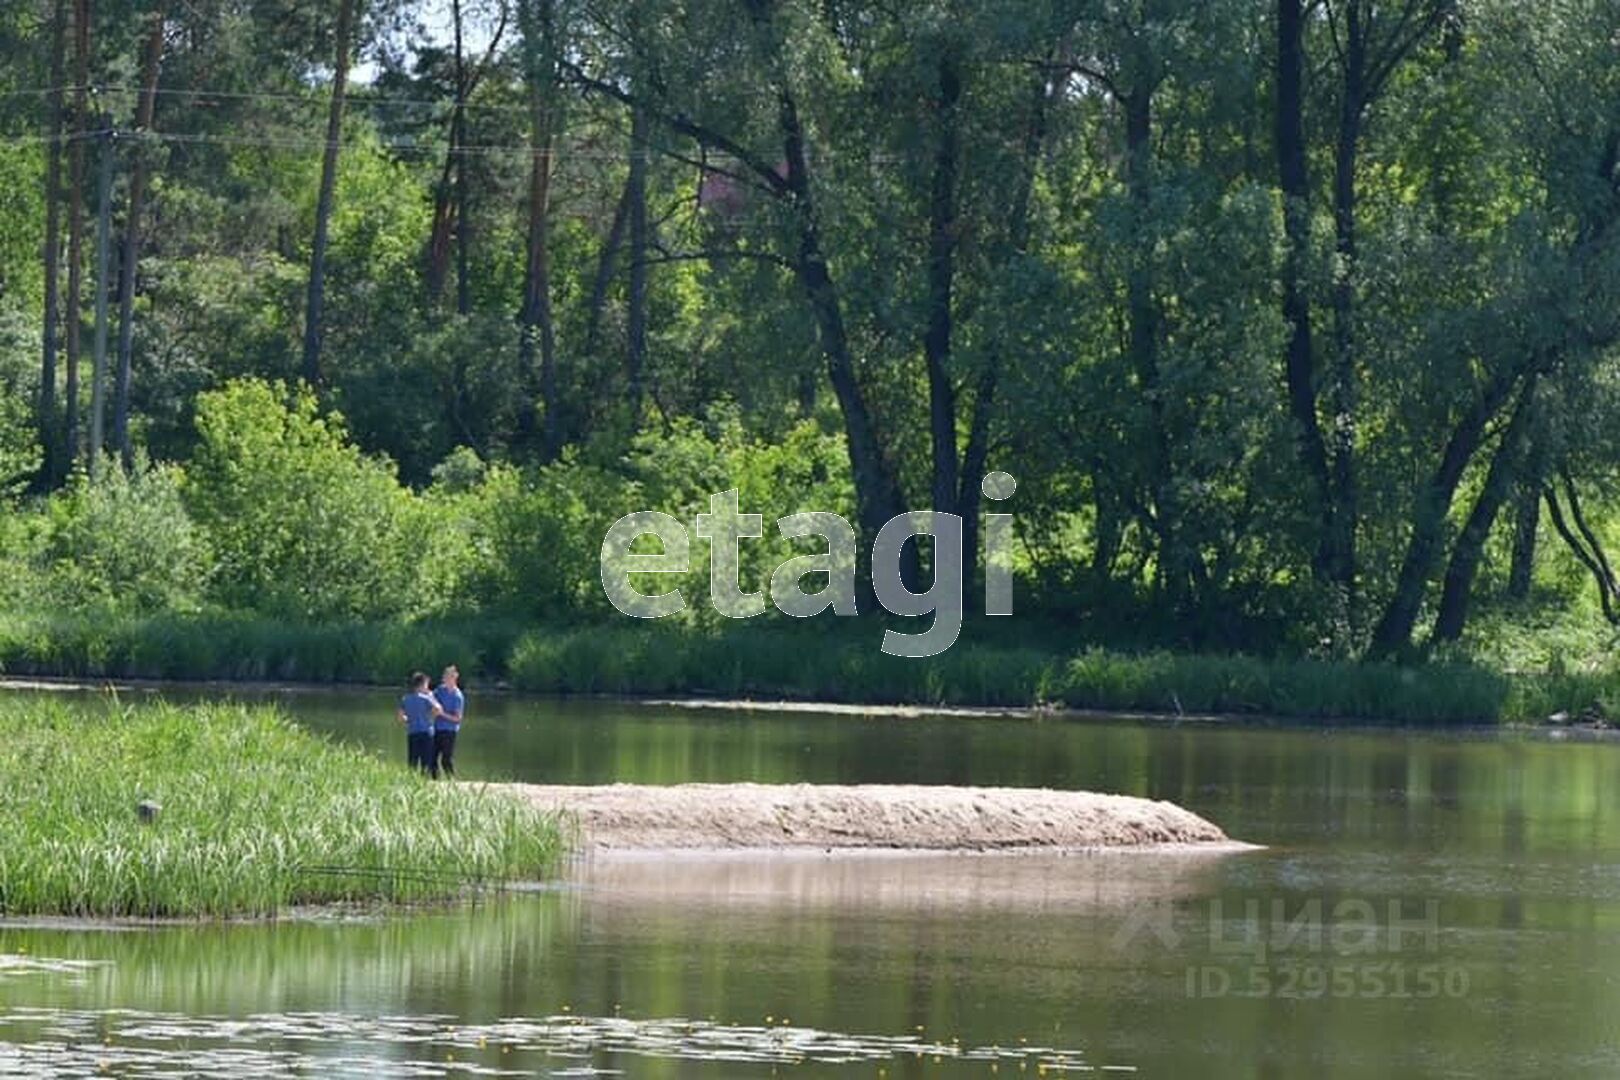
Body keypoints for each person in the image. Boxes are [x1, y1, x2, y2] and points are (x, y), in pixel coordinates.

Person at [398, 671, 443, 775]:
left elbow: (400, 717)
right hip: (426, 733)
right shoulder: (426, 698)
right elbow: (439, 710)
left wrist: (409, 720)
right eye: (426, 685)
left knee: (412, 760)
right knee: (426, 761)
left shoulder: (406, 699)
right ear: (422, 684)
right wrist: (431, 714)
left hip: (412, 732)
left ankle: (411, 780)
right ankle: (424, 782)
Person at [432, 664, 465, 779]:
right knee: (432, 757)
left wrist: (442, 714)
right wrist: (434, 707)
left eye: (447, 677)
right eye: (444, 677)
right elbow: (431, 698)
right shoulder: (440, 690)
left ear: (454, 678)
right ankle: (434, 782)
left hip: (450, 731)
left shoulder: (458, 696)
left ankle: (452, 782)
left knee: (446, 760)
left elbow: (457, 718)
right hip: (436, 729)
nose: (444, 679)